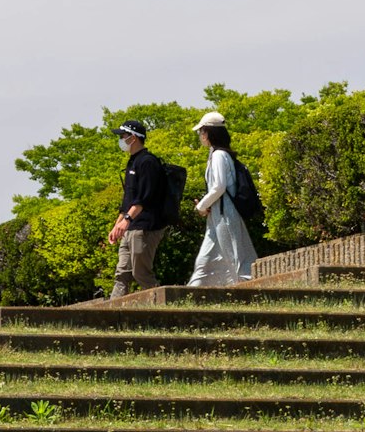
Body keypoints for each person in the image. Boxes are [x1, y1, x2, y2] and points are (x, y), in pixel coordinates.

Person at [109, 120, 183, 298]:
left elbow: (145, 198)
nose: (120, 140)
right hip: (131, 226)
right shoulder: (132, 163)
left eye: (122, 136)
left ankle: (163, 308)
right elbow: (128, 199)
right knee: (122, 274)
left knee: (141, 274)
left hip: (147, 226)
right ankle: (112, 313)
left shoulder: (148, 162)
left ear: (133, 138)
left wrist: (126, 221)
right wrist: (117, 225)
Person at [186, 111, 260, 288]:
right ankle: (192, 293)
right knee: (204, 261)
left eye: (201, 131)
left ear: (209, 133)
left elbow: (219, 186)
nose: (200, 136)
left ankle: (251, 292)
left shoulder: (219, 155)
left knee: (236, 257)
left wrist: (202, 206)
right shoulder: (216, 154)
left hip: (226, 215)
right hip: (217, 216)